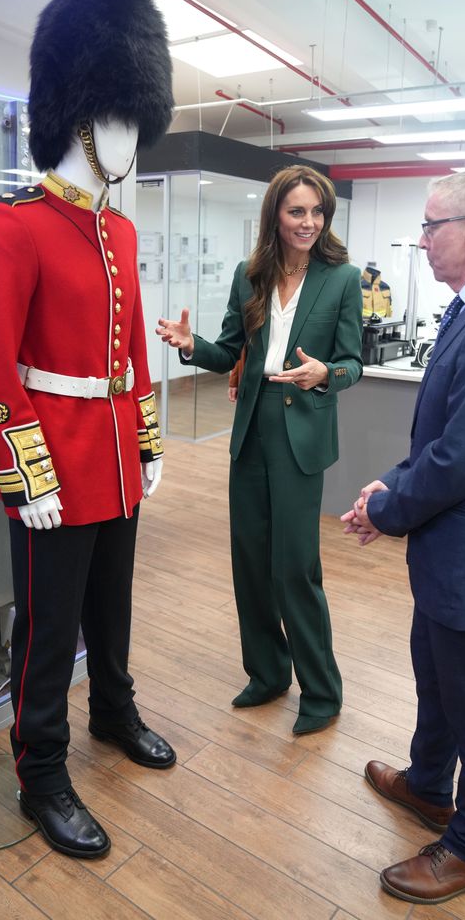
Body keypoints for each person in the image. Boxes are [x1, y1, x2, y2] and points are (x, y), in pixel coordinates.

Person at [0, 0, 175, 860]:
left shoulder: (118, 231)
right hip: (52, 461)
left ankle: (113, 711)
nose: (130, 140)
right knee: (47, 635)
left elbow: (127, 356)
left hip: (116, 458)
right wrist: (25, 471)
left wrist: (149, 441)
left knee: (112, 609)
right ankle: (39, 770)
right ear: (78, 120)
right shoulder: (10, 224)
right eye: (118, 120)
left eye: (138, 120)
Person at [341, 167, 465, 905]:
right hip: (453, 546)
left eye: (430, 227)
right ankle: (427, 784)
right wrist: (390, 483)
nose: (420, 241)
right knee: (434, 671)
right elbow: (444, 433)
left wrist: (386, 510)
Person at [157, 165, 363, 734]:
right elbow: (228, 352)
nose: (309, 222)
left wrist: (325, 374)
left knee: (294, 568)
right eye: (298, 211)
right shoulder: (250, 276)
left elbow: (353, 363)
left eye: (318, 212)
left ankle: (321, 692)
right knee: (250, 561)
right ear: (276, 213)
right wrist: (189, 346)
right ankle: (268, 673)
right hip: (252, 430)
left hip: (302, 431)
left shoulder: (342, 278)